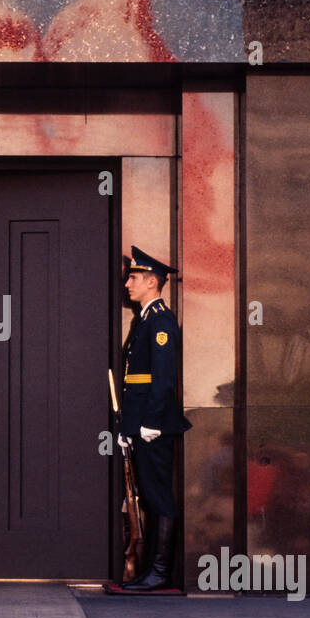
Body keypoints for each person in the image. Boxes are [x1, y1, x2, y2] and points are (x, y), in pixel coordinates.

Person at [118, 246, 193, 591]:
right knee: (147, 494)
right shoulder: (144, 319)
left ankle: (160, 573)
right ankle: (150, 570)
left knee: (158, 495)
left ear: (151, 281)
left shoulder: (160, 320)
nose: (127, 284)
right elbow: (135, 380)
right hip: (141, 423)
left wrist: (150, 423)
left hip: (154, 425)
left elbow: (162, 379)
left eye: (133, 278)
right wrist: (127, 428)